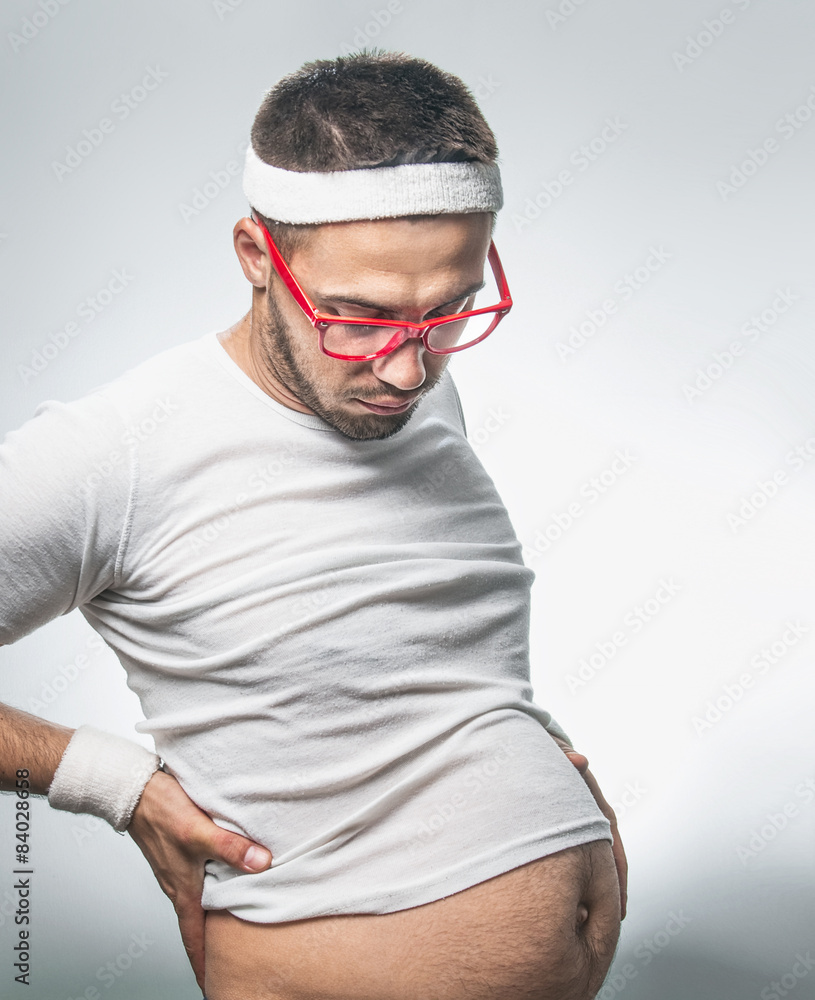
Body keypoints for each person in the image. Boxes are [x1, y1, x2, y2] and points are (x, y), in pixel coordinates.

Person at [0, 52, 626, 1000]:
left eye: (448, 313)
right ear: (257, 255)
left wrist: (525, 756)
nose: (407, 372)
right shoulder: (116, 453)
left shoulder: (401, 388)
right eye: (357, 317)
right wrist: (108, 783)